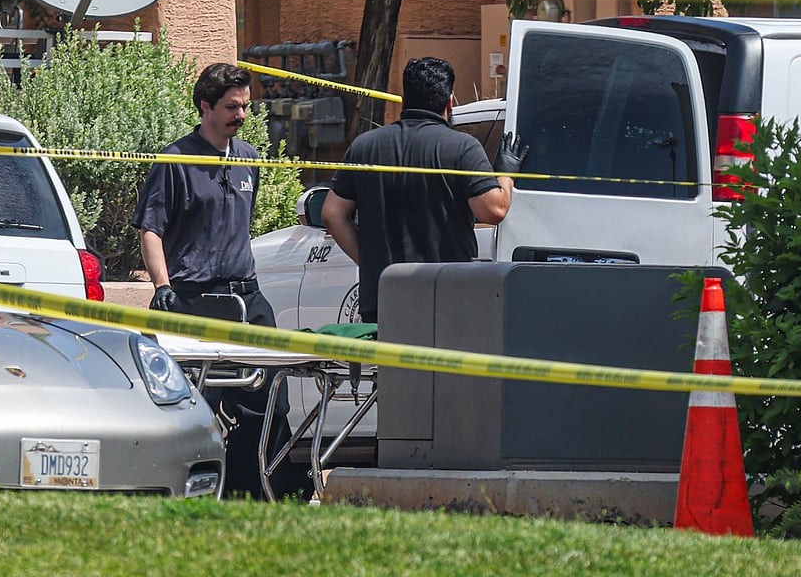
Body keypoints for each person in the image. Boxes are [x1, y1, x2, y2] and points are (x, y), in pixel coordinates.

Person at [131, 62, 309, 499]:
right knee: (193, 405)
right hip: (191, 299)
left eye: (246, 106)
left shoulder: (248, 158)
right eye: (232, 107)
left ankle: (250, 494)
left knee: (269, 401)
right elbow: (150, 228)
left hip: (246, 298)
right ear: (205, 107)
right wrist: (162, 286)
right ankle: (181, 491)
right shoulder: (176, 161)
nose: (242, 115)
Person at [321, 56, 529, 323]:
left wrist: (372, 262)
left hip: (385, 295)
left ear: (403, 99)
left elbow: (331, 214)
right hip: (444, 296)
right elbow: (493, 209)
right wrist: (506, 175)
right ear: (450, 101)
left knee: (393, 366)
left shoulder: (365, 147)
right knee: (442, 366)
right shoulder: (461, 148)